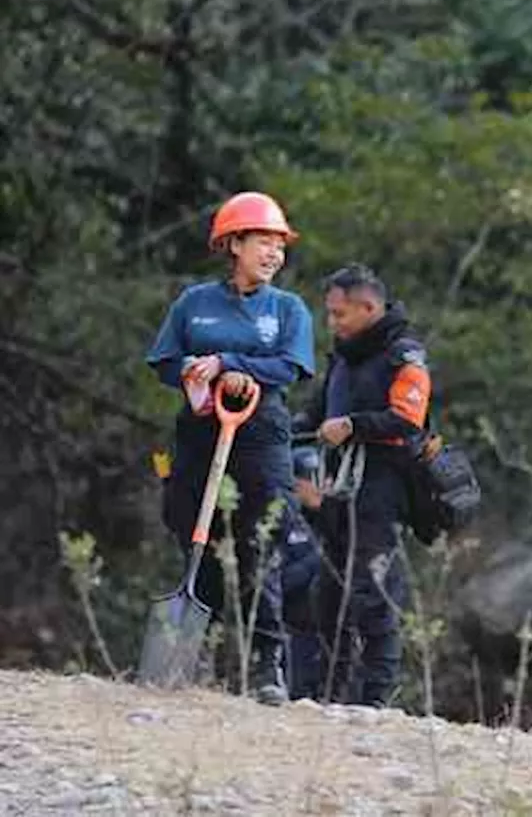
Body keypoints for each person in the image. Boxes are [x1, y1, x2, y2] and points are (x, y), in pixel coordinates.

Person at [146, 191, 316, 705]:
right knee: (189, 523)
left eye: (279, 245)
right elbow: (162, 361)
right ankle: (194, 653)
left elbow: (290, 368)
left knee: (261, 540)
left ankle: (269, 664)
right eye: (263, 242)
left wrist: (232, 366)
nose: (273, 254)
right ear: (233, 244)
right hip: (199, 431)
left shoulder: (288, 309)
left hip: (261, 435)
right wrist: (194, 375)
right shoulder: (193, 303)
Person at [294, 264, 432, 707]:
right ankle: (328, 695)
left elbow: (407, 421)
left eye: (339, 314)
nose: (332, 323)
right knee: (329, 593)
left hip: (384, 487)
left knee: (374, 593)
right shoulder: (344, 356)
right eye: (329, 314)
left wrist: (353, 426)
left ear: (369, 307)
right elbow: (312, 418)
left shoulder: (403, 354)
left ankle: (377, 701)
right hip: (338, 487)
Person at [282, 445, 325, 700]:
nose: (320, 486)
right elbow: (277, 582)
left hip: (329, 638)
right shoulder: (282, 521)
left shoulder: (332, 519)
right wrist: (319, 560)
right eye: (312, 479)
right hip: (294, 635)